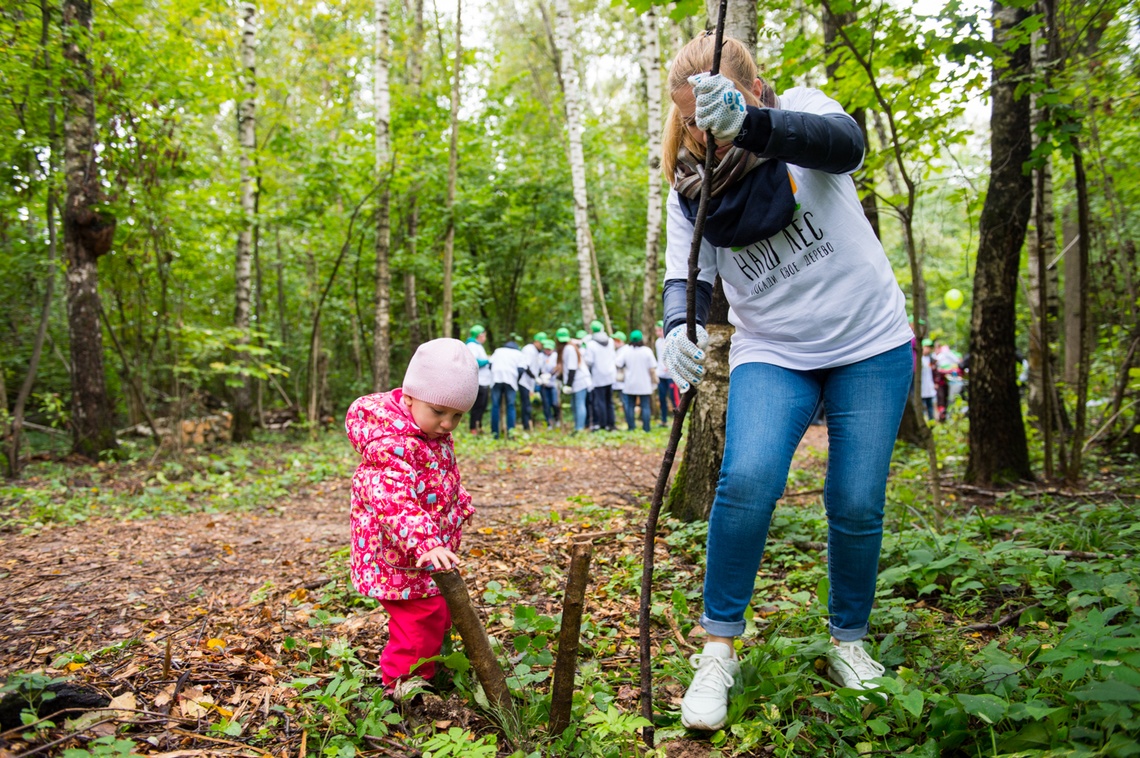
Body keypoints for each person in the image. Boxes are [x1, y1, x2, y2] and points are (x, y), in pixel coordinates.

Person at [659, 34, 914, 731]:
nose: (705, 135)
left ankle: (850, 641)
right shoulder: (688, 185)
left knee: (856, 499)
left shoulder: (799, 112)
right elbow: (686, 274)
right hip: (774, 348)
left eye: (716, 114)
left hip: (870, 343)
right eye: (692, 120)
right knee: (747, 481)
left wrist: (755, 126)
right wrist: (675, 326)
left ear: (755, 90)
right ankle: (718, 650)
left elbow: (847, 146)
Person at [345, 338, 477, 698]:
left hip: (424, 557)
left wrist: (458, 503)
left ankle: (430, 669)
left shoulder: (427, 431)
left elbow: (439, 478)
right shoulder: (388, 443)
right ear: (408, 398)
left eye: (458, 416)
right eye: (439, 412)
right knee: (420, 621)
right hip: (399, 558)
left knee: (439, 613)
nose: (448, 424)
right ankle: (403, 690)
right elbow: (394, 502)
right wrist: (427, 541)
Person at [617, 330, 657, 432]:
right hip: (644, 383)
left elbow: (618, 363)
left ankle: (631, 427)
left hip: (630, 383)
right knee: (645, 406)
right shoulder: (647, 351)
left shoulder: (626, 351)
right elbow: (653, 366)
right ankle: (646, 428)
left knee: (630, 406)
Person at [489, 337, 528, 439]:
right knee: (510, 406)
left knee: (495, 406)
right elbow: (521, 369)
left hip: (496, 378)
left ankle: (495, 434)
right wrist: (516, 380)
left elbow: (490, 364)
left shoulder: (498, 351)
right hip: (510, 379)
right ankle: (511, 434)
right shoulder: (518, 354)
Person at [584, 320, 617, 431]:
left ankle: (602, 424)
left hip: (598, 375)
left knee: (600, 401)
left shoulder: (591, 344)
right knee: (609, 401)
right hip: (610, 374)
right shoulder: (611, 341)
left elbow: (589, 361)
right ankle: (611, 424)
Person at [556, 327, 590, 431]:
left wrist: (568, 385)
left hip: (579, 381)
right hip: (575, 381)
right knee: (574, 405)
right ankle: (577, 426)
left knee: (579, 404)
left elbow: (572, 368)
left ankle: (579, 428)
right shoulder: (567, 348)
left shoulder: (569, 349)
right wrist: (559, 379)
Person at [465, 325, 491, 434]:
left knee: (483, 405)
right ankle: (473, 429)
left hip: (484, 381)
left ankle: (478, 426)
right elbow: (474, 362)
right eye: (484, 334)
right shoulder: (471, 345)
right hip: (478, 381)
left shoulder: (478, 345)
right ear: (479, 335)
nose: (485, 337)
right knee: (477, 406)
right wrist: (488, 360)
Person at [519, 333, 546, 431]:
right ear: (536, 341)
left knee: (530, 404)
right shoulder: (529, 349)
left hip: (531, 382)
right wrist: (535, 377)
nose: (542, 346)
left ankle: (529, 424)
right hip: (525, 381)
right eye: (541, 343)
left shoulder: (536, 351)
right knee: (526, 404)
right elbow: (525, 366)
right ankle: (526, 426)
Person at [654, 321, 677, 426]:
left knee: (674, 398)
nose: (657, 332)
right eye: (656, 330)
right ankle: (663, 420)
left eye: (659, 330)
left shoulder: (672, 340)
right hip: (660, 374)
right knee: (662, 398)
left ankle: (677, 420)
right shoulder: (657, 342)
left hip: (671, 375)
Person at [537, 339, 560, 428]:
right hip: (544, 383)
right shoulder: (540, 356)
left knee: (555, 403)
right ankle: (549, 422)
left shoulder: (556, 356)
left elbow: (558, 367)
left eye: (549, 349)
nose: (547, 351)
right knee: (546, 404)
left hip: (554, 382)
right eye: (546, 349)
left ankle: (557, 418)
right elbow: (538, 368)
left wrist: (550, 375)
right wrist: (541, 377)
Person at [612, 331, 633, 426]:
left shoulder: (626, 350)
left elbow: (618, 363)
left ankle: (628, 419)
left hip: (624, 381)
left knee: (626, 401)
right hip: (619, 381)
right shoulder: (619, 350)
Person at [920, 339, 936, 420]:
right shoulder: (918, 359)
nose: (928, 349)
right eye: (926, 347)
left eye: (929, 347)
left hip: (929, 386)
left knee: (930, 406)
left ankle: (931, 421)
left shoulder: (931, 359)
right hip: (921, 387)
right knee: (921, 406)